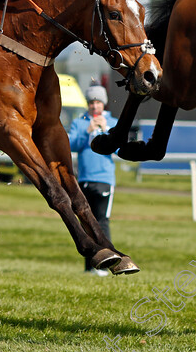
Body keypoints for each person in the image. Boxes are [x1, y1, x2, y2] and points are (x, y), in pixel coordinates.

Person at [67, 84, 117, 276]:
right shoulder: (79, 123)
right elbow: (71, 145)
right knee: (86, 223)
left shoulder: (112, 122)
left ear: (103, 104)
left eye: (98, 102)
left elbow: (119, 149)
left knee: (102, 222)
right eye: (91, 102)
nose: (94, 106)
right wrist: (86, 131)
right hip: (84, 179)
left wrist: (107, 131)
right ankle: (90, 266)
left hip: (104, 179)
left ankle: (106, 264)